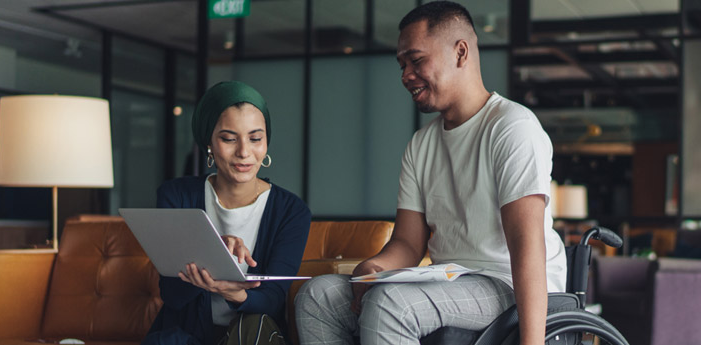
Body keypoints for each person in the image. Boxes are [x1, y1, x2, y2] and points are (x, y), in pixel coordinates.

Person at [293, 2, 565, 345]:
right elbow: (408, 243)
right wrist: (375, 268)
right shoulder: (421, 144)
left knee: (392, 304)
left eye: (417, 60)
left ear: (461, 53)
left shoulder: (512, 128)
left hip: (507, 282)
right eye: (402, 64)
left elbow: (527, 246)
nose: (406, 74)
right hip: (449, 280)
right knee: (319, 296)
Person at [145, 81, 312, 345]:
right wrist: (211, 253)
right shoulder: (176, 195)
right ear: (209, 142)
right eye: (229, 139)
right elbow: (172, 294)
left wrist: (233, 292)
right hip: (184, 336)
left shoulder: (292, 211)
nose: (244, 152)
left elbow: (272, 299)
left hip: (251, 336)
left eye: (255, 138)